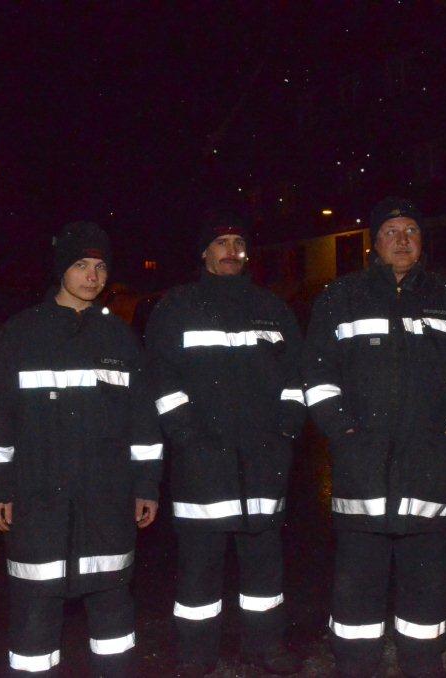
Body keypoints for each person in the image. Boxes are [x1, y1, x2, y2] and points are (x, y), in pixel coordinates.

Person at [303, 197, 446, 677]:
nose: (403, 240)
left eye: (411, 230)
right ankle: (354, 666)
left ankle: (424, 665)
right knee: (357, 582)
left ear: (422, 240)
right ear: (375, 242)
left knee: (426, 580)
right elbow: (317, 375)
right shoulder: (341, 298)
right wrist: (343, 431)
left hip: (431, 467)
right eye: (391, 231)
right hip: (361, 469)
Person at [0, 222, 162, 675]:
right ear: (61, 270)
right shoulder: (23, 333)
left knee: (113, 611)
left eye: (100, 267)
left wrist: (146, 486)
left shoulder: (118, 337)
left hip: (107, 501)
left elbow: (142, 421)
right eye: (81, 265)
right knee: (35, 611)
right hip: (38, 501)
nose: (92, 276)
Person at [144, 212, 306, 676]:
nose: (231, 250)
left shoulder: (271, 308)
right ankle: (196, 656)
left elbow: (297, 376)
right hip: (202, 463)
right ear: (204, 252)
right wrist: (188, 438)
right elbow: (161, 379)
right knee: (199, 567)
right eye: (221, 243)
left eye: (238, 242)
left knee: (264, 565)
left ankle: (266, 646)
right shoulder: (177, 307)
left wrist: (285, 432)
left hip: (262, 462)